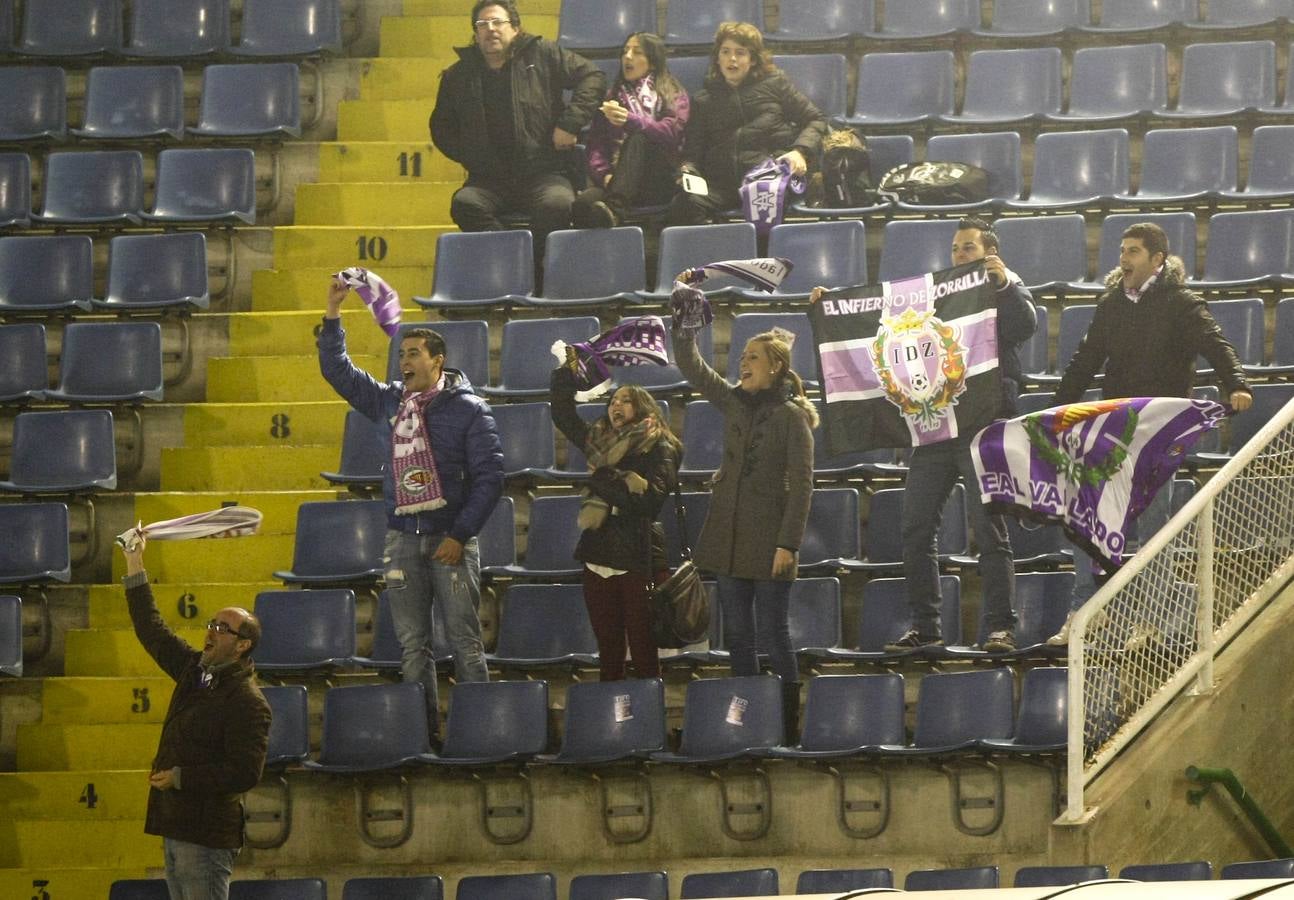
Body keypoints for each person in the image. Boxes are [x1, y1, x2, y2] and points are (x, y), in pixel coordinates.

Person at [810, 217, 1036, 651]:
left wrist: (1004, 283)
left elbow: (1025, 326)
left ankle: (1001, 627)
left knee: (990, 530)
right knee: (914, 529)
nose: (959, 255)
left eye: (968, 248)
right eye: (955, 249)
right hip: (934, 428)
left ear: (989, 251)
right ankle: (926, 627)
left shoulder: (1000, 285)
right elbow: (879, 316)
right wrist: (829, 307)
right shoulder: (939, 294)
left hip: (981, 426)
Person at [1047, 221, 1253, 644]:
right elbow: (1085, 360)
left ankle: (1153, 619)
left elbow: (1216, 344)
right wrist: (1057, 408)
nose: (1123, 258)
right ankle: (1086, 610)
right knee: (1088, 517)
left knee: (1155, 524)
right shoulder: (1111, 304)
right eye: (1122, 250)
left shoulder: (1181, 302)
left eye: (1134, 251)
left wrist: (1236, 383)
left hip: (1160, 433)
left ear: (1158, 259)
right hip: (1116, 428)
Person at [317, 278, 504, 736]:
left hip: (450, 539)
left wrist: (460, 535)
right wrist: (333, 313)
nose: (404, 362)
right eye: (401, 355)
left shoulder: (470, 409)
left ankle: (474, 731)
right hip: (402, 537)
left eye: (414, 354)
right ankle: (423, 733)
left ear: (438, 361)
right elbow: (338, 371)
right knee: (412, 645)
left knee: (465, 640)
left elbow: (491, 477)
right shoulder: (389, 402)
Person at [673, 323, 816, 741]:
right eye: (742, 357)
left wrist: (788, 544)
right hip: (728, 541)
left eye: (752, 356)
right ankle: (751, 724)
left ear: (776, 367)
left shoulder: (793, 417)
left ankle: (787, 725)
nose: (743, 362)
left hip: (771, 542)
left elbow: (804, 485)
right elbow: (694, 367)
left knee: (774, 634)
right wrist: (683, 328)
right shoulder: (733, 403)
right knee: (737, 634)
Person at [121, 535, 271, 900]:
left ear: (242, 645)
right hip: (176, 822)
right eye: (211, 623)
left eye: (222, 628)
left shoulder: (247, 701)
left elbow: (244, 773)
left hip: (206, 832)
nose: (210, 631)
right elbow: (151, 630)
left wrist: (181, 777)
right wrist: (133, 562)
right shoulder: (194, 671)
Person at [429, 0, 605, 284]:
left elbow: (593, 76)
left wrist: (569, 123)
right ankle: (512, 265)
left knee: (558, 204)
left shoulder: (543, 54)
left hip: (544, 172)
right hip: (489, 180)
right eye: (482, 25)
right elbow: (441, 127)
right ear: (475, 34)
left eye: (497, 22)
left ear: (515, 28)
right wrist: (471, 155)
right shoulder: (457, 76)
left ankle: (535, 270)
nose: (490, 30)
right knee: (465, 203)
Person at [549, 366, 682, 680]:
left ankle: (648, 723)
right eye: (612, 401)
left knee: (644, 650)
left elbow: (649, 503)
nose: (615, 406)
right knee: (608, 651)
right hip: (598, 556)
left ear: (643, 407)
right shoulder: (600, 441)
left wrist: (601, 479)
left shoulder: (661, 447)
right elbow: (564, 415)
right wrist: (565, 375)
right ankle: (611, 723)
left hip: (638, 558)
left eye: (625, 400)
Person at [666, 21, 827, 226]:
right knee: (684, 204)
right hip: (721, 185)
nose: (731, 59)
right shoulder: (703, 100)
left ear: (752, 60)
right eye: (725, 52)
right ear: (718, 58)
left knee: (764, 201)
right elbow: (692, 153)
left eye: (740, 53)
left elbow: (816, 119)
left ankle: (763, 258)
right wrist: (687, 170)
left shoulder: (776, 85)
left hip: (765, 179)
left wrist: (800, 151)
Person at [571, 32, 690, 229]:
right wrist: (604, 175)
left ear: (652, 62)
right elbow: (596, 145)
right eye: (625, 51)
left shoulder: (672, 92)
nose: (627, 57)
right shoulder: (614, 96)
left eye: (637, 52)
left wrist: (630, 120)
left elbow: (671, 133)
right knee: (583, 204)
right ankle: (606, 255)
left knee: (639, 138)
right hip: (618, 182)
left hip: (659, 180)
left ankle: (615, 209)